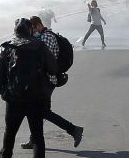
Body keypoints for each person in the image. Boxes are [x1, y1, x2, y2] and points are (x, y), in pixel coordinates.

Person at [0, 18, 58, 158]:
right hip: (36, 98)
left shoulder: (6, 47)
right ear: (30, 30)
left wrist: (4, 93)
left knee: (10, 131)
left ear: (15, 30)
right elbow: (53, 68)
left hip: (14, 98)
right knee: (37, 136)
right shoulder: (39, 46)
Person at [24, 15, 84, 149]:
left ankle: (74, 130)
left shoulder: (46, 37)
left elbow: (44, 60)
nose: (32, 32)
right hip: (43, 80)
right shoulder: (41, 37)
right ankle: (34, 139)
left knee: (42, 111)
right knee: (35, 110)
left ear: (38, 26)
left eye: (33, 29)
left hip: (47, 80)